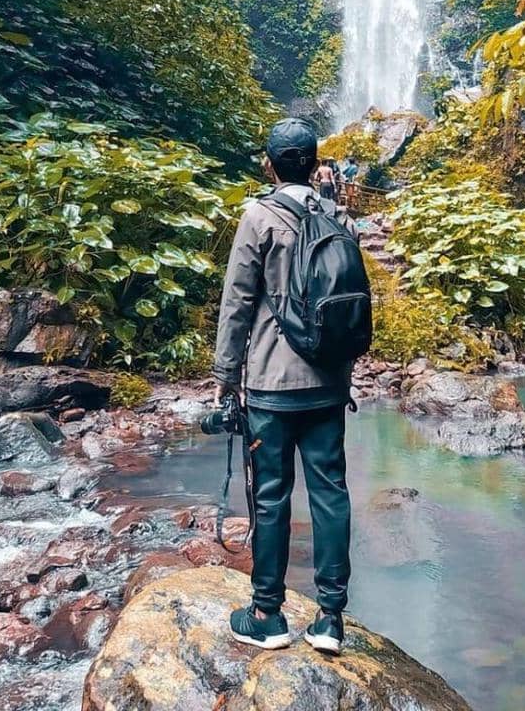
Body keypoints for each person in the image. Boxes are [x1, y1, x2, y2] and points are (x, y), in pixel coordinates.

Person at [213, 117, 355, 655]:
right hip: (328, 385)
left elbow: (237, 304)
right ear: (316, 162)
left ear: (269, 164)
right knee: (330, 494)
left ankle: (267, 613)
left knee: (270, 496)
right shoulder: (338, 216)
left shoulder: (258, 217)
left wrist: (226, 379)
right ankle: (330, 619)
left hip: (272, 384)